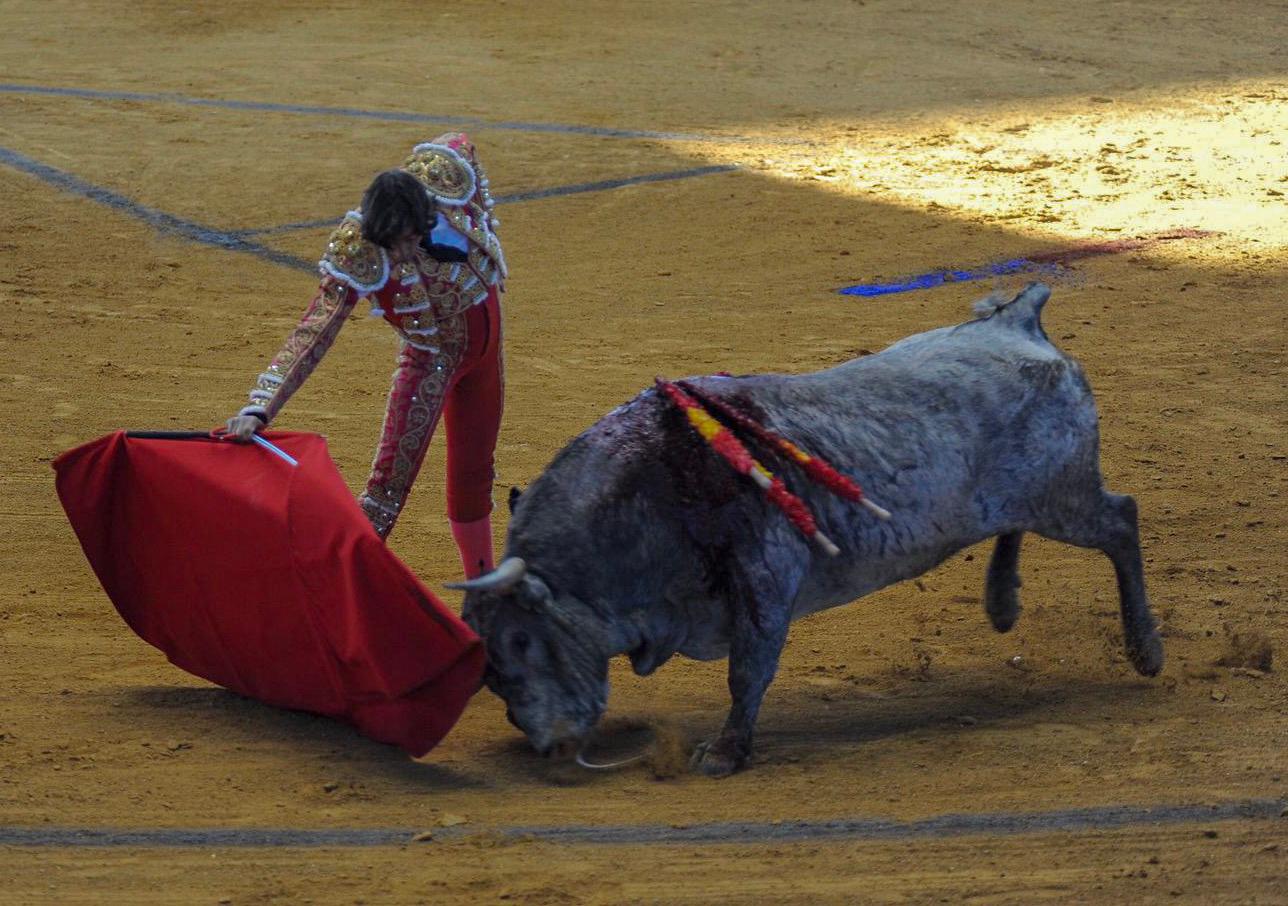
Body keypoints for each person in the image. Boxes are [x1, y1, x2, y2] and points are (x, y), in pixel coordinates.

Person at [225, 133, 506, 579]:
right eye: (391, 245)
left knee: (474, 475)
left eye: (407, 241)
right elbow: (315, 328)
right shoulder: (358, 248)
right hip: (431, 363)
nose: (400, 255)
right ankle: (333, 589)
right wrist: (260, 406)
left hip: (487, 357)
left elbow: (463, 143)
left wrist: (485, 220)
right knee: (385, 492)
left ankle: (483, 588)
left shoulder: (447, 172)